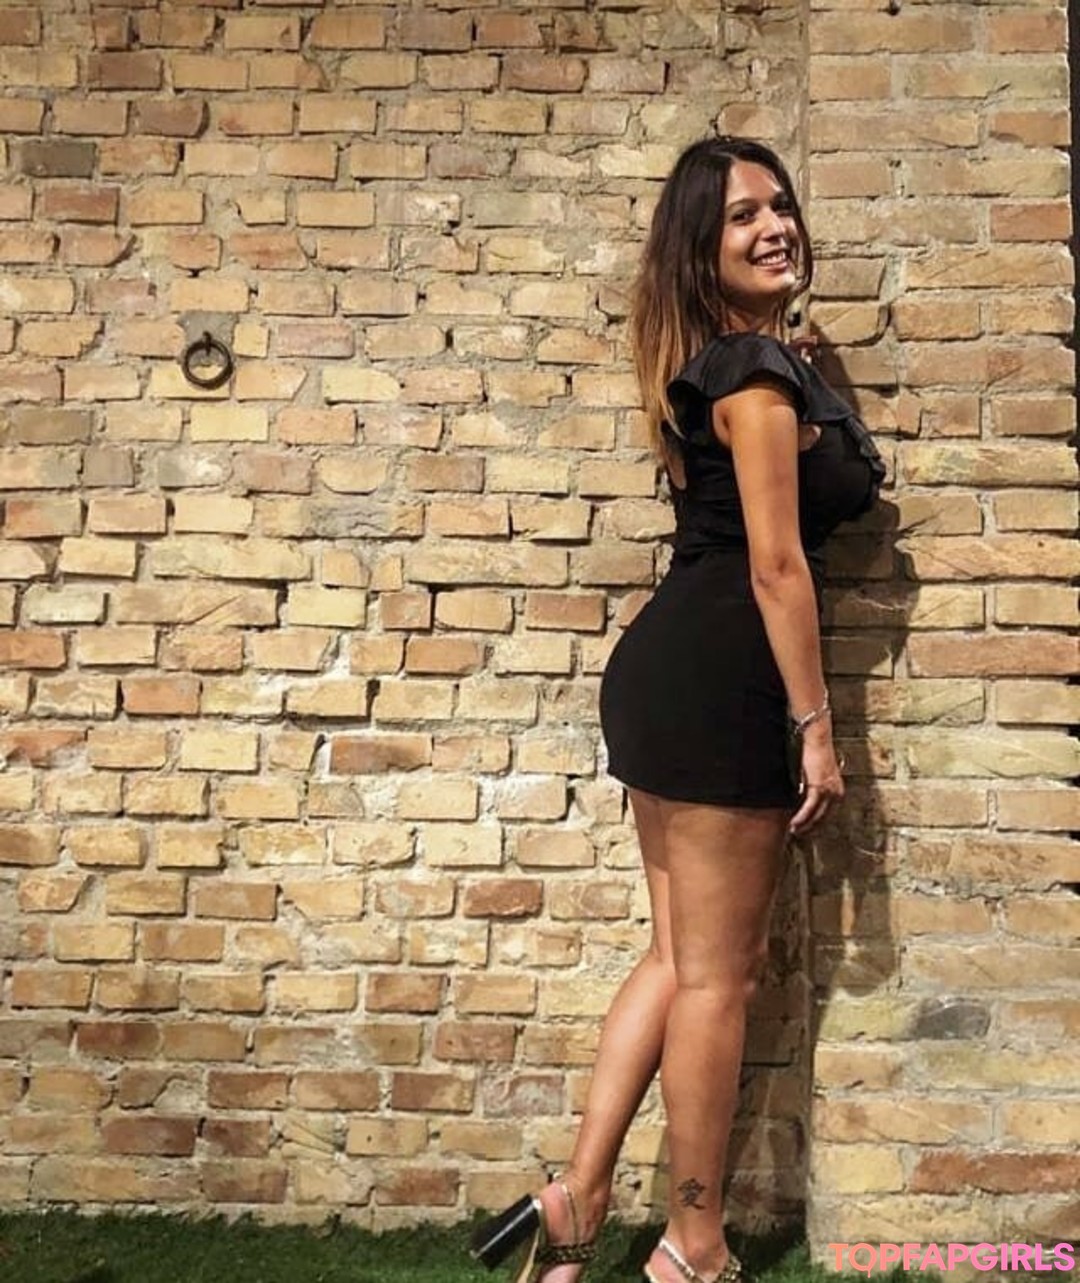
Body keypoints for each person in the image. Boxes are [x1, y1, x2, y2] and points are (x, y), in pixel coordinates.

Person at [469, 136, 885, 1283]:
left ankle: (574, 1196)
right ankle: (693, 1244)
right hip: (723, 677)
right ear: (701, 251)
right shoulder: (751, 371)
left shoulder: (728, 362)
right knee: (717, 977)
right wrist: (815, 725)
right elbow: (776, 564)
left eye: (780, 204)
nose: (775, 225)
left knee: (675, 958)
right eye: (743, 215)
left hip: (671, 668)